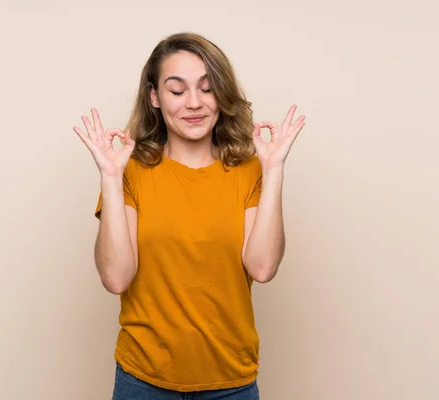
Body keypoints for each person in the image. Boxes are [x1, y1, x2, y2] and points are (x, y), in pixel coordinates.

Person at [73, 32, 306, 399]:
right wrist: (111, 178)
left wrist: (273, 169)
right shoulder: (130, 171)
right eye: (177, 91)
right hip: (142, 380)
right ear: (154, 97)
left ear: (221, 94)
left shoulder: (249, 172)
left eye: (207, 88)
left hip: (230, 382)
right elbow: (116, 277)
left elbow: (262, 268)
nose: (194, 103)